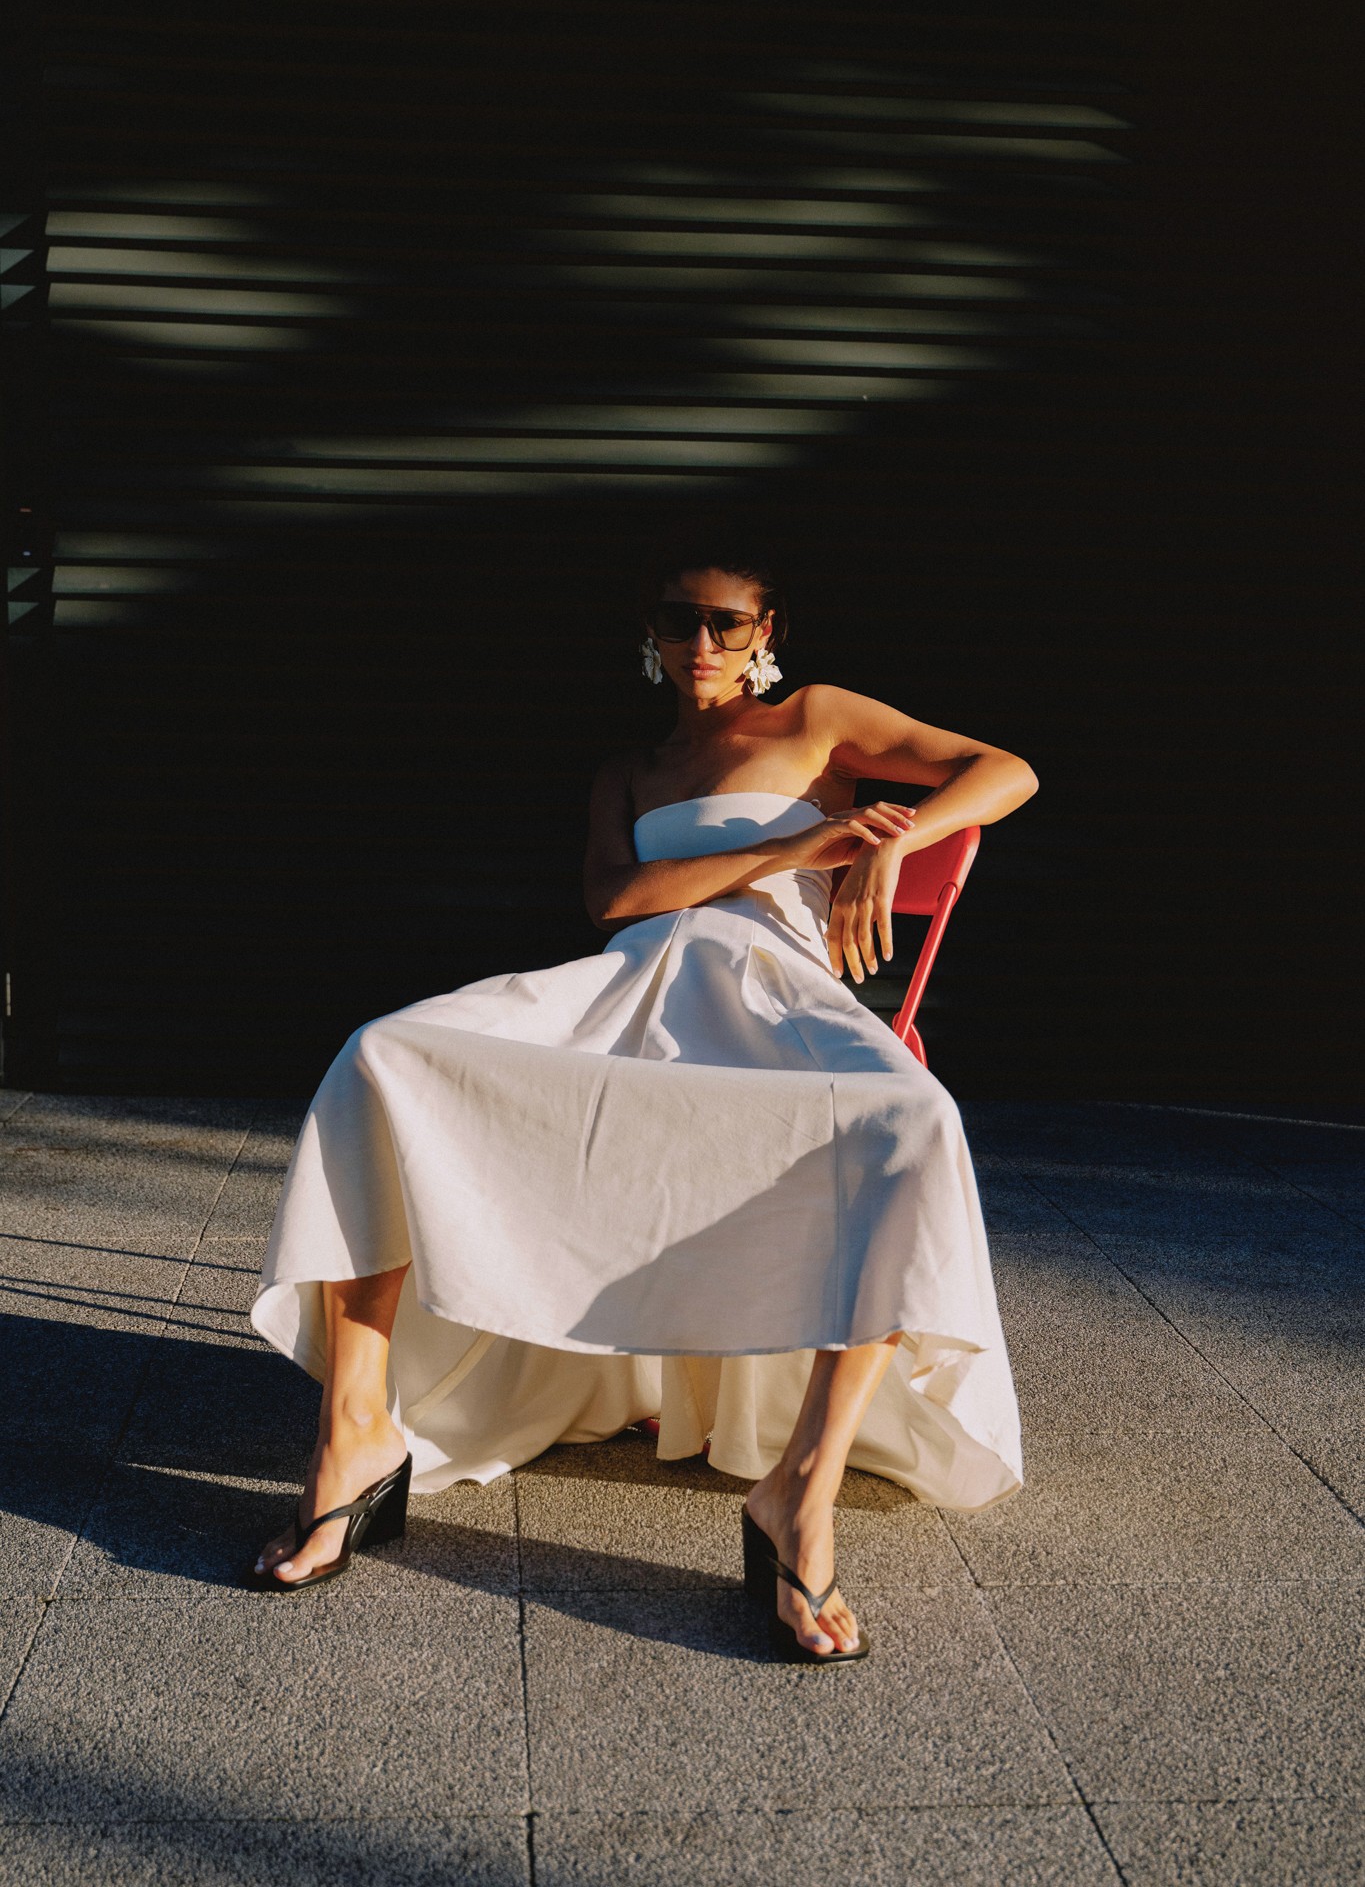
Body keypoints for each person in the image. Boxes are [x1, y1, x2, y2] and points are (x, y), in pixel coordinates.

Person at [248, 537, 1036, 1662]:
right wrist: (803, 842)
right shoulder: (628, 769)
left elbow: (1007, 770)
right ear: (650, 632)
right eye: (678, 619)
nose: (700, 642)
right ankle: (355, 1435)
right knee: (382, 1056)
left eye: (726, 622)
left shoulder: (816, 718)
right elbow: (618, 901)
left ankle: (799, 1491)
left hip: (771, 993)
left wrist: (890, 835)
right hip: (629, 987)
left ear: (766, 633)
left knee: (916, 1121)